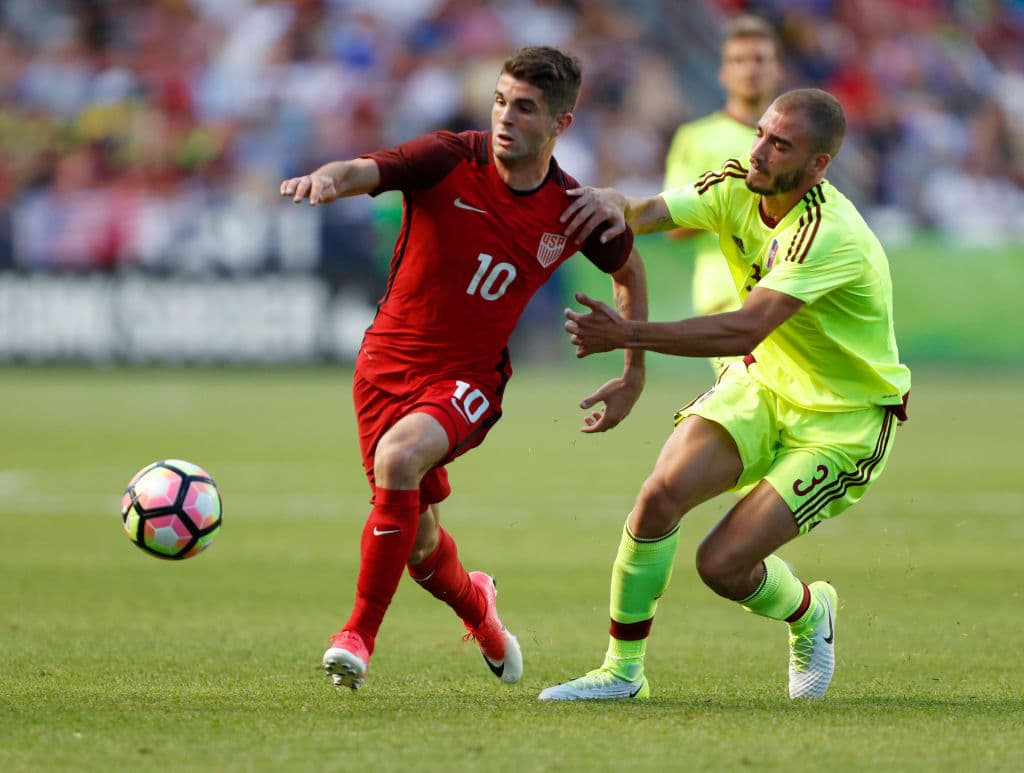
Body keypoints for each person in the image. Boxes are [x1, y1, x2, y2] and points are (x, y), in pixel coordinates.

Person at [280, 46, 647, 692]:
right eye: (501, 101)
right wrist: (328, 181)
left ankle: (357, 634)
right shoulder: (450, 156)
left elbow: (627, 267)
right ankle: (480, 608)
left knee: (399, 460)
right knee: (421, 548)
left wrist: (633, 365)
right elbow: (365, 169)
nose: (505, 117)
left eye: (525, 108)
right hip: (382, 368)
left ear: (560, 123)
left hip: (468, 381)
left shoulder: (572, 208)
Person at [538, 88, 911, 702]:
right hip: (763, 383)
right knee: (659, 496)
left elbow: (743, 327)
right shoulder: (741, 180)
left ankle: (811, 611)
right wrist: (617, 205)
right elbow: (655, 212)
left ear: (818, 165)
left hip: (844, 420)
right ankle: (622, 672)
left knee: (721, 565)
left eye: (779, 145)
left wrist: (627, 335)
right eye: (761, 133)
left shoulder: (828, 233)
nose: (758, 151)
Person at [662, 15, 782, 375]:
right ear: (723, 74)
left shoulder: (796, 143)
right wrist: (735, 196)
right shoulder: (697, 138)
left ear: (778, 69)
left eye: (760, 59)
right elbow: (674, 225)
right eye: (739, 61)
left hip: (787, 288)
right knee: (747, 404)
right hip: (727, 292)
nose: (750, 70)